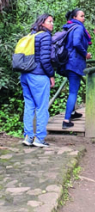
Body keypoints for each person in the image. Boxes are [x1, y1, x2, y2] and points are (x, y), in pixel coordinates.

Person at [21, 14, 55, 148]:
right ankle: (39, 138)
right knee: (41, 107)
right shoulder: (45, 36)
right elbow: (45, 60)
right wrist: (51, 75)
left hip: (25, 75)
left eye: (52, 21)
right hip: (39, 76)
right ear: (42, 23)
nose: (52, 24)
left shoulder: (31, 35)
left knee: (29, 106)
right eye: (49, 21)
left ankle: (28, 136)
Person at [62, 9, 92, 129]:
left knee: (73, 89)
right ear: (75, 17)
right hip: (74, 62)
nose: (84, 18)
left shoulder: (69, 27)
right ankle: (66, 120)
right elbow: (76, 43)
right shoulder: (78, 28)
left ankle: (72, 113)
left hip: (67, 62)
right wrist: (85, 54)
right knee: (73, 91)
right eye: (82, 16)